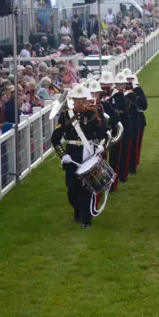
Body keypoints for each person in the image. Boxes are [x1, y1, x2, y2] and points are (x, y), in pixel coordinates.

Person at [52, 84, 108, 228]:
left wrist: (101, 145)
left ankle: (86, 220)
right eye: (76, 100)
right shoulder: (65, 114)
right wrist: (62, 154)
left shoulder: (94, 113)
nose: (79, 103)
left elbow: (104, 133)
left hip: (87, 153)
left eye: (82, 100)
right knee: (72, 189)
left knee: (87, 188)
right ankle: (77, 210)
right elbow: (55, 138)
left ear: (87, 100)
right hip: (71, 155)